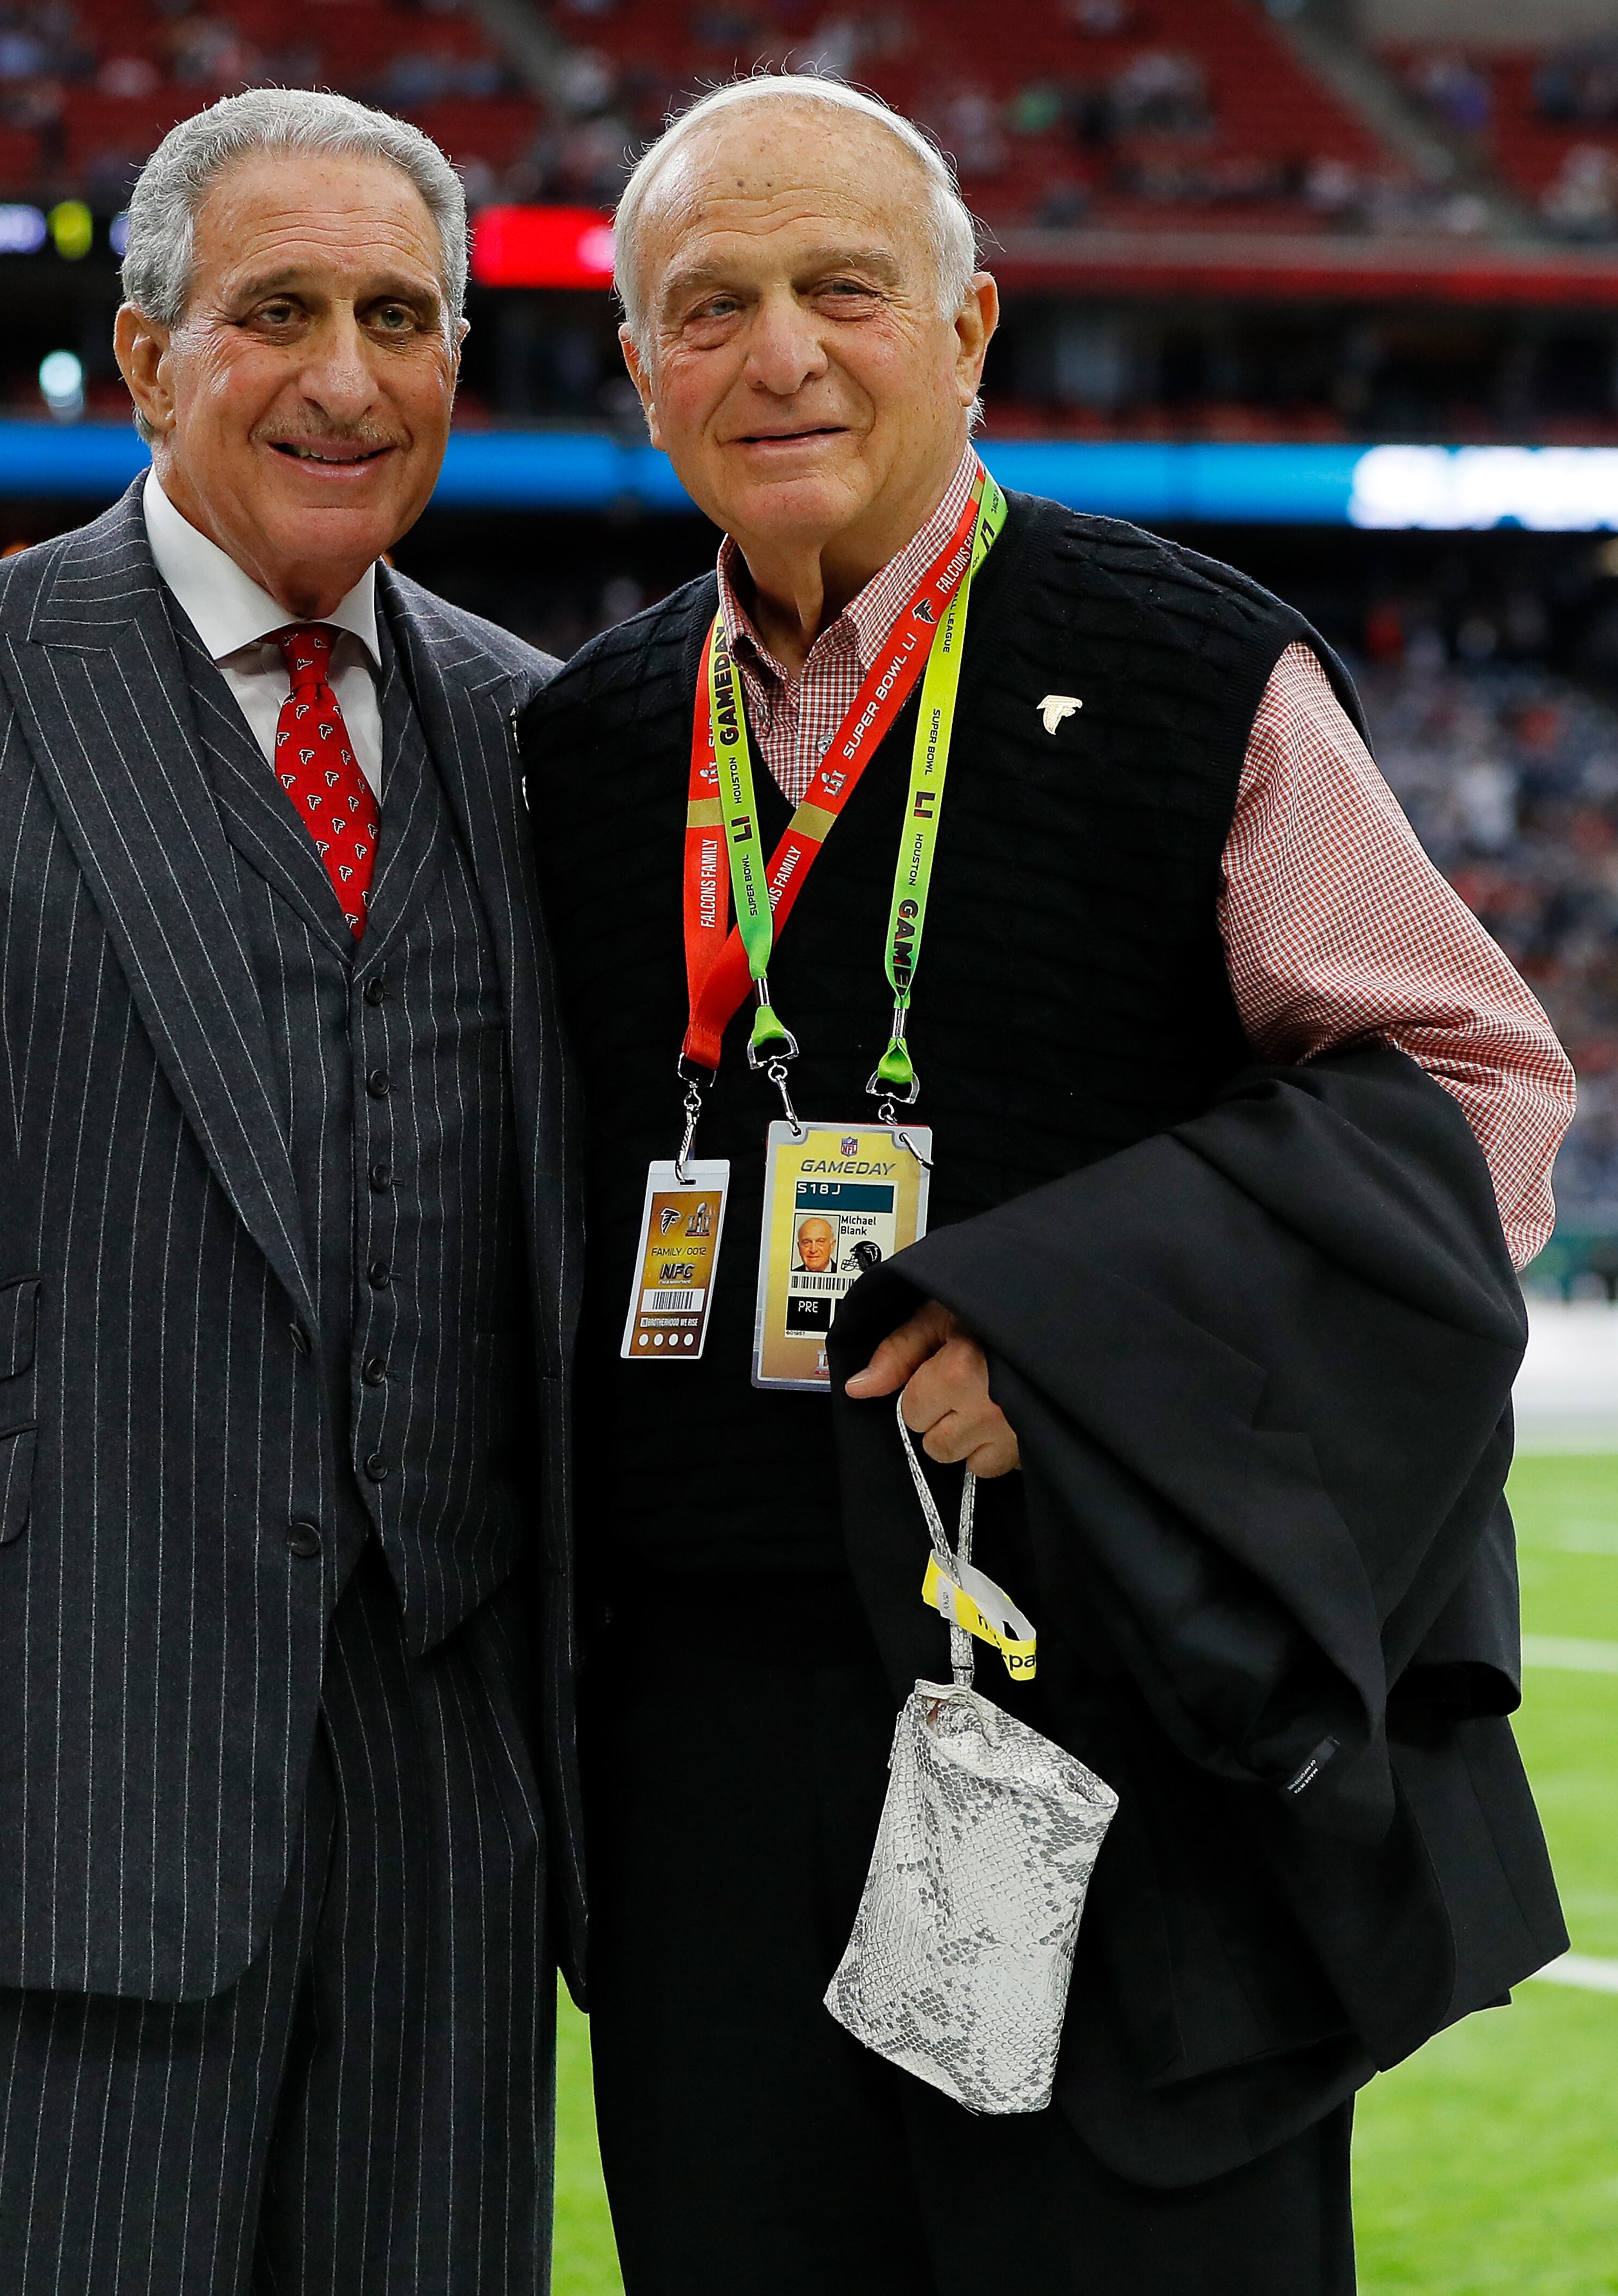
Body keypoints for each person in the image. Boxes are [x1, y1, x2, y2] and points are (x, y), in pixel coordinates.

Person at [517, 73, 1573, 2296]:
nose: (778, 351)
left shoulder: (1197, 668)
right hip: (697, 1755)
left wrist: (1099, 1351)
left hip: (1096, 1719)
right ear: (638, 369)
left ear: (975, 330)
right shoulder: (588, 740)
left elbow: (1479, 1106)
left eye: (843, 289)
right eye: (709, 306)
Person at [0, 88, 582, 2296]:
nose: (348, 377)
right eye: (280, 311)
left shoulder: (540, 731)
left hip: (450, 1832)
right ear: (148, 350)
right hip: (44, 1775)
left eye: (401, 316)